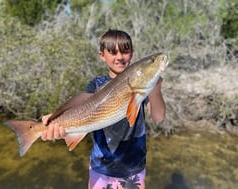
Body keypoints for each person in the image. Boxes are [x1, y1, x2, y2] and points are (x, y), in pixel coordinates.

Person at [41, 29, 166, 189]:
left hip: (133, 168)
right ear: (102, 55)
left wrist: (155, 90)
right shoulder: (95, 84)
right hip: (101, 168)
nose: (119, 57)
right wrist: (55, 119)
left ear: (132, 53)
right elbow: (80, 107)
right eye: (113, 52)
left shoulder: (143, 89)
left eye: (125, 51)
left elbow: (159, 117)